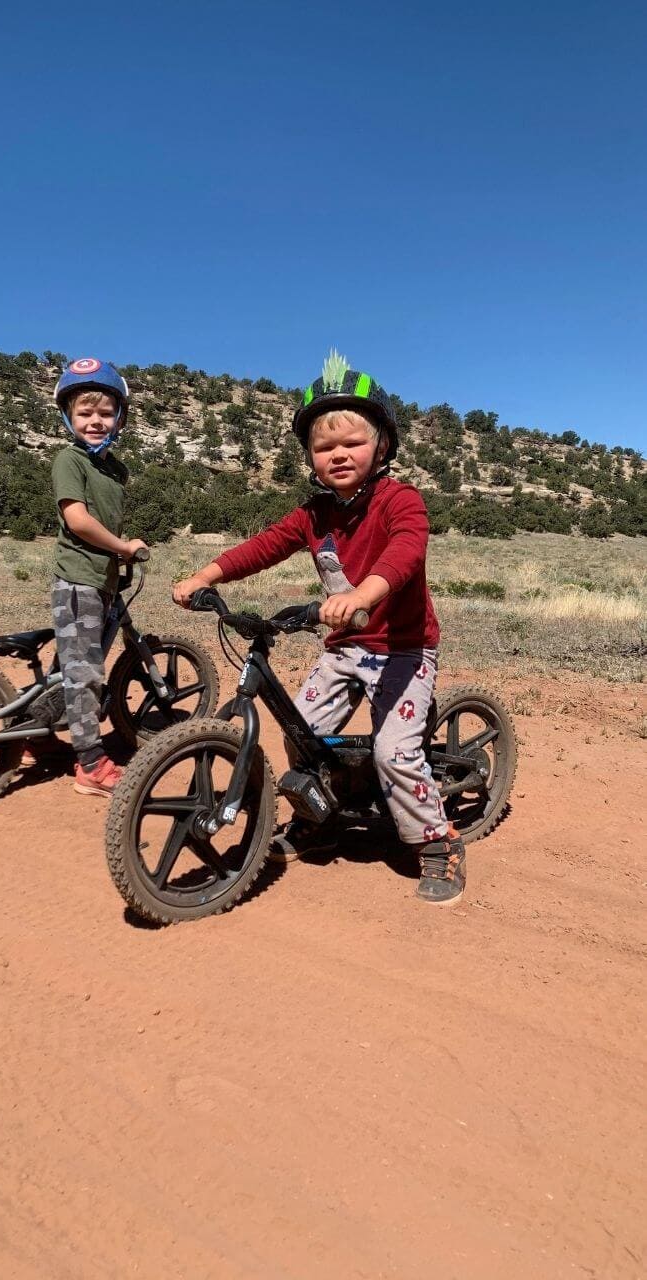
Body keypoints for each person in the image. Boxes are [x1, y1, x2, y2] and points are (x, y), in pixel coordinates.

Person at [172, 350, 465, 904]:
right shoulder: (312, 514)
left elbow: (406, 552)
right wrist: (204, 574)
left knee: (394, 753)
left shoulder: (399, 500)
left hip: (403, 649)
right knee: (299, 731)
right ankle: (319, 816)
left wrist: (363, 593)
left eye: (352, 442)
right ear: (309, 455)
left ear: (382, 446)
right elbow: (264, 546)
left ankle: (437, 843)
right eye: (323, 446)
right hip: (344, 646)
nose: (338, 455)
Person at [49, 358, 147, 797]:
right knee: (84, 672)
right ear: (68, 416)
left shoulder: (114, 469)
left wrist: (119, 555)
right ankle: (90, 763)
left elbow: (105, 519)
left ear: (119, 417)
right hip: (77, 581)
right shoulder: (69, 461)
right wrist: (123, 546)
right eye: (85, 413)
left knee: (67, 666)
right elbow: (78, 520)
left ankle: (34, 736)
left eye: (105, 413)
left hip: (100, 579)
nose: (95, 421)